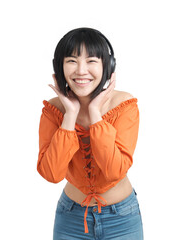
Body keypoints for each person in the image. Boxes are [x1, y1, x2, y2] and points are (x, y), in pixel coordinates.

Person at [37, 27, 143, 239]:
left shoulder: (124, 105)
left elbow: (114, 171)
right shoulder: (53, 110)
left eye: (91, 60)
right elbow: (52, 174)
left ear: (108, 66)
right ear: (60, 67)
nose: (81, 70)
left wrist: (95, 113)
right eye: (72, 61)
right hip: (71, 218)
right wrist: (70, 115)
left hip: (121, 218)